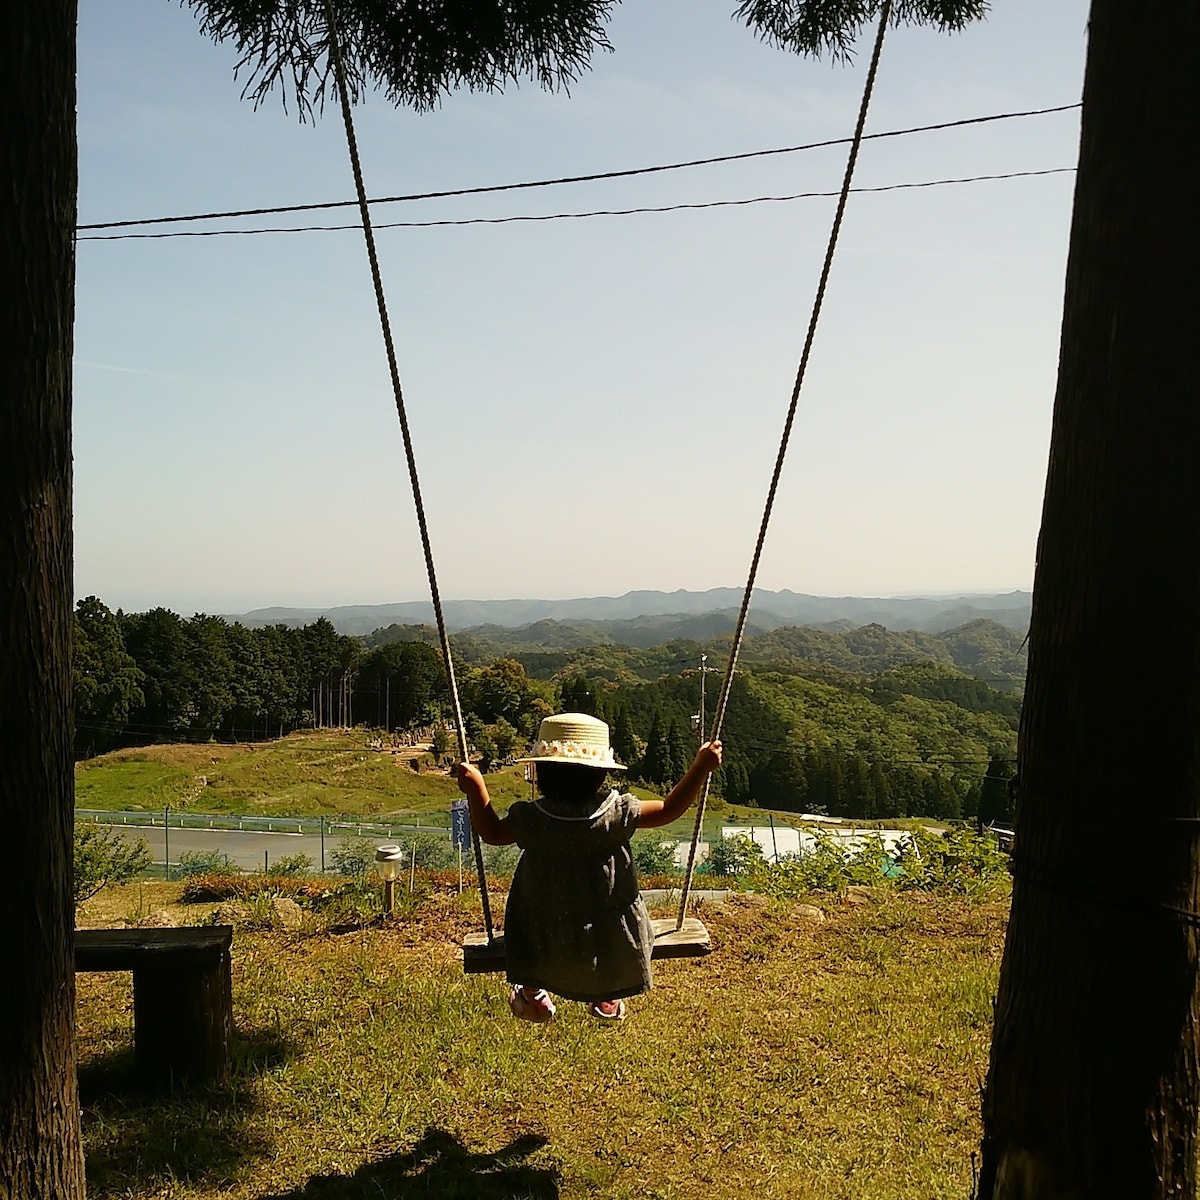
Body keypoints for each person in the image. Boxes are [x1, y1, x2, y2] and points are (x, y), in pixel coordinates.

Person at [456, 712, 722, 1022]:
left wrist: (477, 788)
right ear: (600, 775)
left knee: (529, 938)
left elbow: (492, 833)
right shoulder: (617, 812)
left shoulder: (532, 819)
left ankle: (531, 994)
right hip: (608, 934)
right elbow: (668, 809)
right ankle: (606, 997)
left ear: (541, 773)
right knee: (610, 938)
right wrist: (700, 767)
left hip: (543, 932)